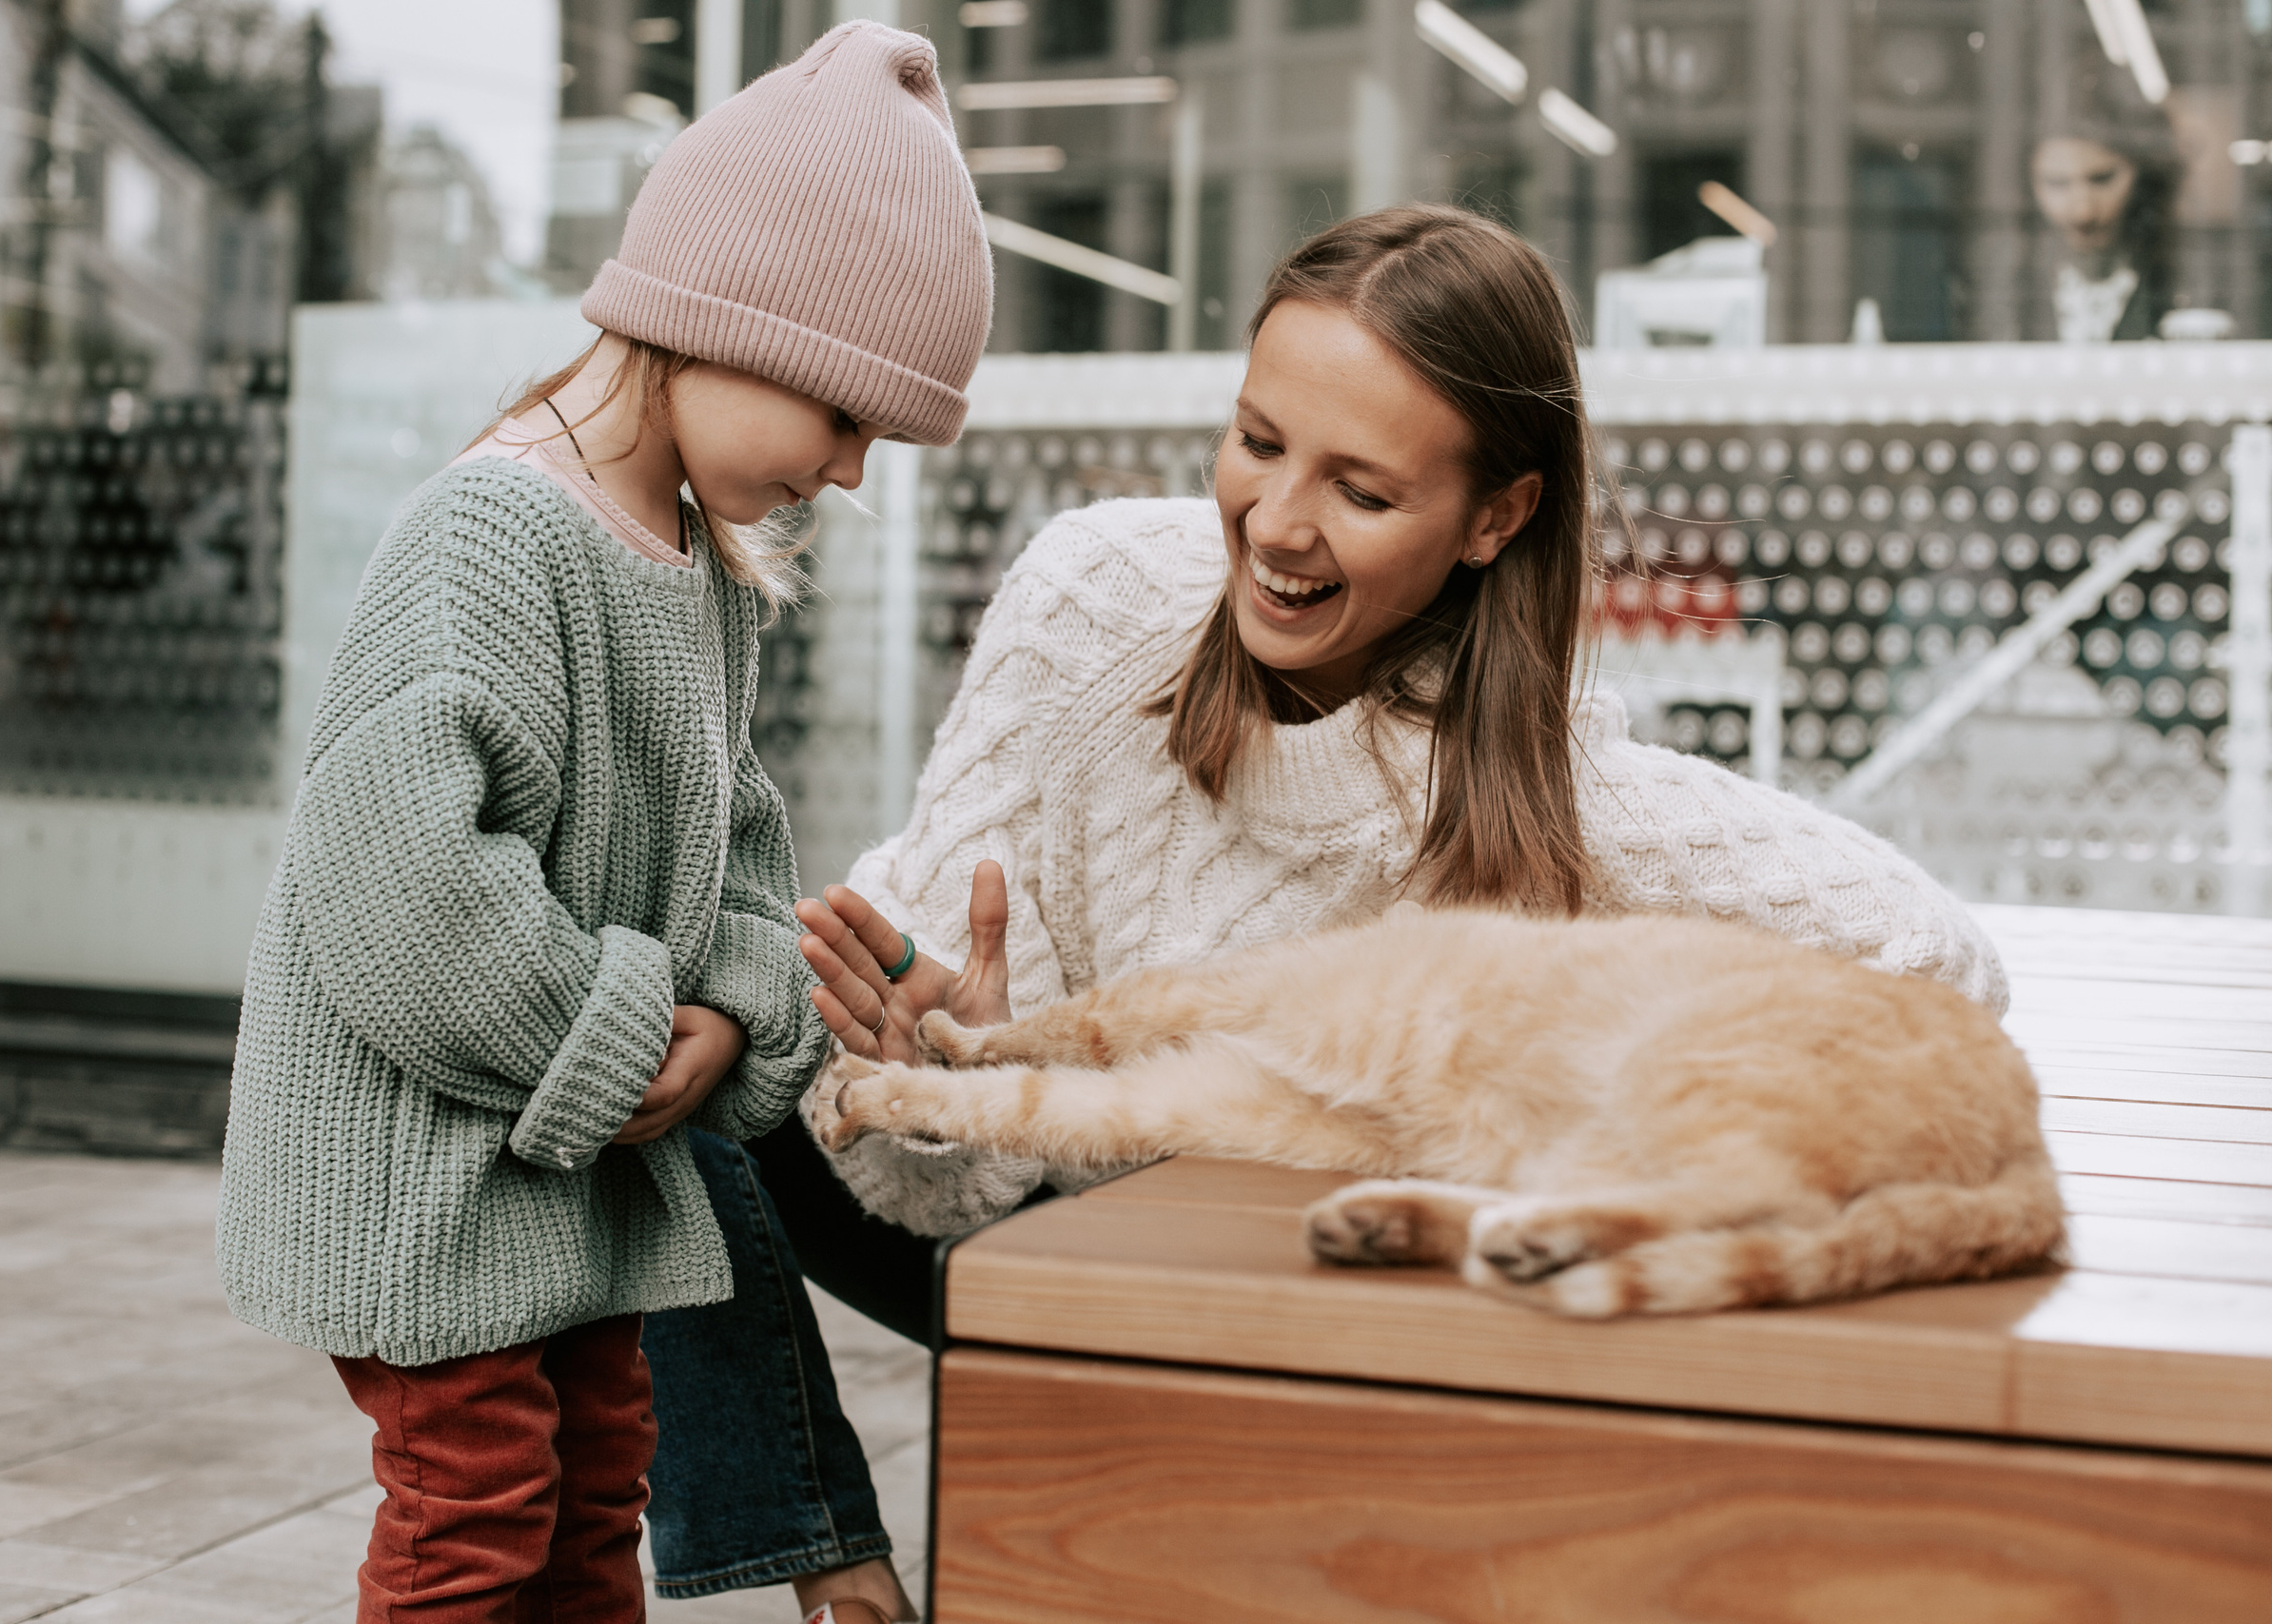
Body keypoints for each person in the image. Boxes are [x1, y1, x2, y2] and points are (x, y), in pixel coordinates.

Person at [642, 204, 2008, 1620]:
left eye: (1363, 491)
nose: (1280, 524)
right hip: (1013, 1199)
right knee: (668, 1019)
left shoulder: (1568, 801)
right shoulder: (1094, 592)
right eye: (1258, 439)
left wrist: (1609, 1084)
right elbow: (943, 1142)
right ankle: (832, 1566)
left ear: (1497, 515)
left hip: (1294, 1303)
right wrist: (961, 1061)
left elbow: (1934, 955)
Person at [214, 23, 990, 1623]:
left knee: (595, 1485)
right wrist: (642, 1033)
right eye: (845, 417)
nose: (848, 473)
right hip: (429, 1175)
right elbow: (402, 885)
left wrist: (736, 1019)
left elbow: (736, 846)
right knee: (477, 1508)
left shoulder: (698, 574)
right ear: (725, 324)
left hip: (563, 1174)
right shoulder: (496, 536)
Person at [2030, 127, 2175, 342]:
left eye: (2102, 179)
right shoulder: (1998, 292)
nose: (2083, 212)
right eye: (2057, 183)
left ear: (2140, 176)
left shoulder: (2177, 282)